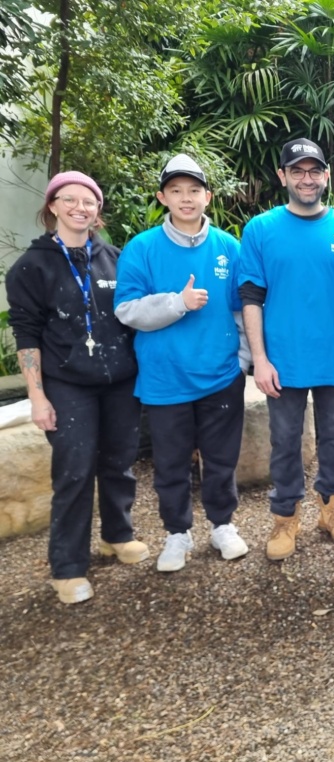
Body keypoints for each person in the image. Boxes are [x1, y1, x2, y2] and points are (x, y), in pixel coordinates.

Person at [6, 172, 147, 604]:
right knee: (74, 469)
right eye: (70, 200)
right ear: (53, 206)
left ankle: (117, 535)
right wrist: (37, 395)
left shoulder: (114, 257)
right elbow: (26, 335)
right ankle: (67, 566)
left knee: (120, 462)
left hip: (120, 380)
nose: (80, 208)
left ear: (97, 210)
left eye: (89, 202)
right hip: (67, 384)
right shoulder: (33, 265)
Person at [114, 154, 251, 572]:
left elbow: (243, 310)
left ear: (208, 196)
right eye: (176, 190)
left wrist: (242, 361)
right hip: (165, 379)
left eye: (194, 190)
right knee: (171, 462)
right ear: (162, 197)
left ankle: (222, 524)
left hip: (220, 376)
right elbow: (126, 310)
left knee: (222, 458)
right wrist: (177, 303)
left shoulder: (229, 246)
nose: (186, 198)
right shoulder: (142, 248)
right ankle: (177, 533)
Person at [239, 138, 334, 561]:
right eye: (297, 170)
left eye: (314, 170)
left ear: (326, 176)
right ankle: (285, 518)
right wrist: (259, 359)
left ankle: (332, 510)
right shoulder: (260, 229)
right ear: (282, 177)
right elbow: (250, 298)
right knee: (285, 442)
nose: (307, 178)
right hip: (283, 361)